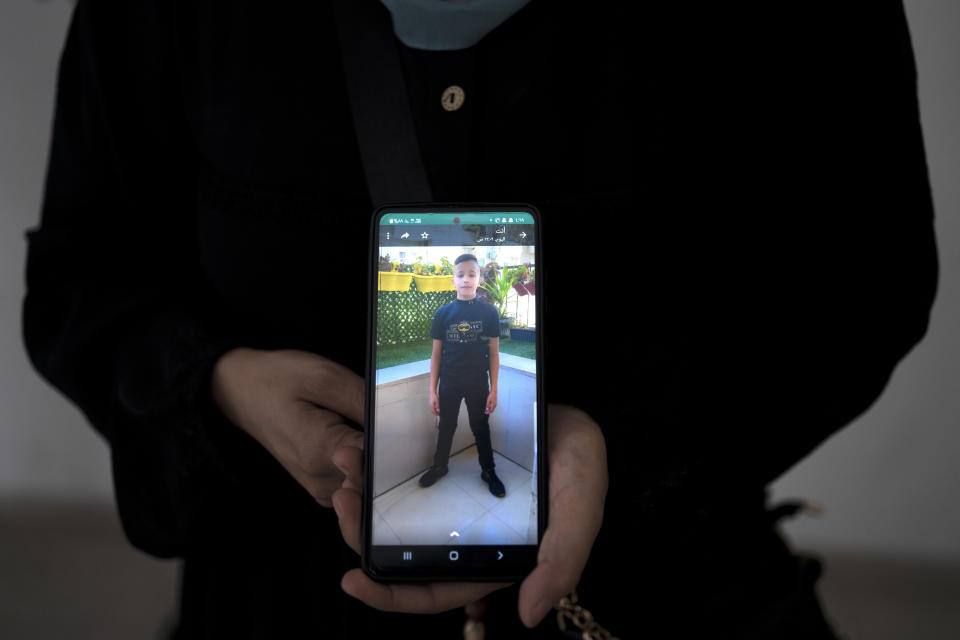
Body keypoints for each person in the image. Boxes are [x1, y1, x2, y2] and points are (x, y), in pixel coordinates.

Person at [21, 0, 938, 637]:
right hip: (276, 599)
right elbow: (79, 277)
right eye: (459, 268)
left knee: (482, 451)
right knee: (446, 444)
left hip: (672, 586)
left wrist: (629, 441)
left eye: (466, 267)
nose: (463, 272)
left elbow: (865, 282)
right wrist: (219, 384)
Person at [419, 253, 505, 497]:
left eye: (472, 274)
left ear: (479, 279)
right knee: (446, 426)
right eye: (461, 275)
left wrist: (494, 389)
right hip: (450, 384)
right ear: (453, 280)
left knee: (481, 427)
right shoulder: (443, 314)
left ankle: (488, 471)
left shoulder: (489, 313)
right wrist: (432, 391)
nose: (466, 279)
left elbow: (494, 354)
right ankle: (440, 466)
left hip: (478, 383)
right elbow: (436, 355)